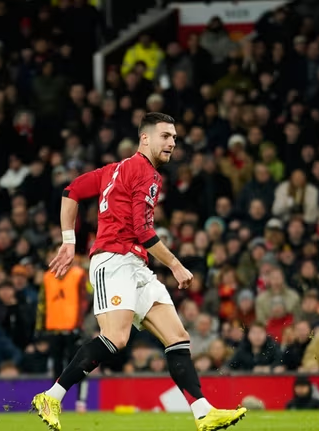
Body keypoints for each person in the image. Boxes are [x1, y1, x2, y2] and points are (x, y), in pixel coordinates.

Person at [31, 113, 246, 431]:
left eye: (174, 138)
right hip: (113, 261)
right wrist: (175, 265)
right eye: (165, 136)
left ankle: (203, 412)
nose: (172, 143)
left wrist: (68, 240)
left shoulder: (113, 170)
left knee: (178, 337)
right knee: (115, 338)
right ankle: (52, 396)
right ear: (145, 138)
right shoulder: (146, 173)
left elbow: (71, 190)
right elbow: (143, 230)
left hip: (135, 265)